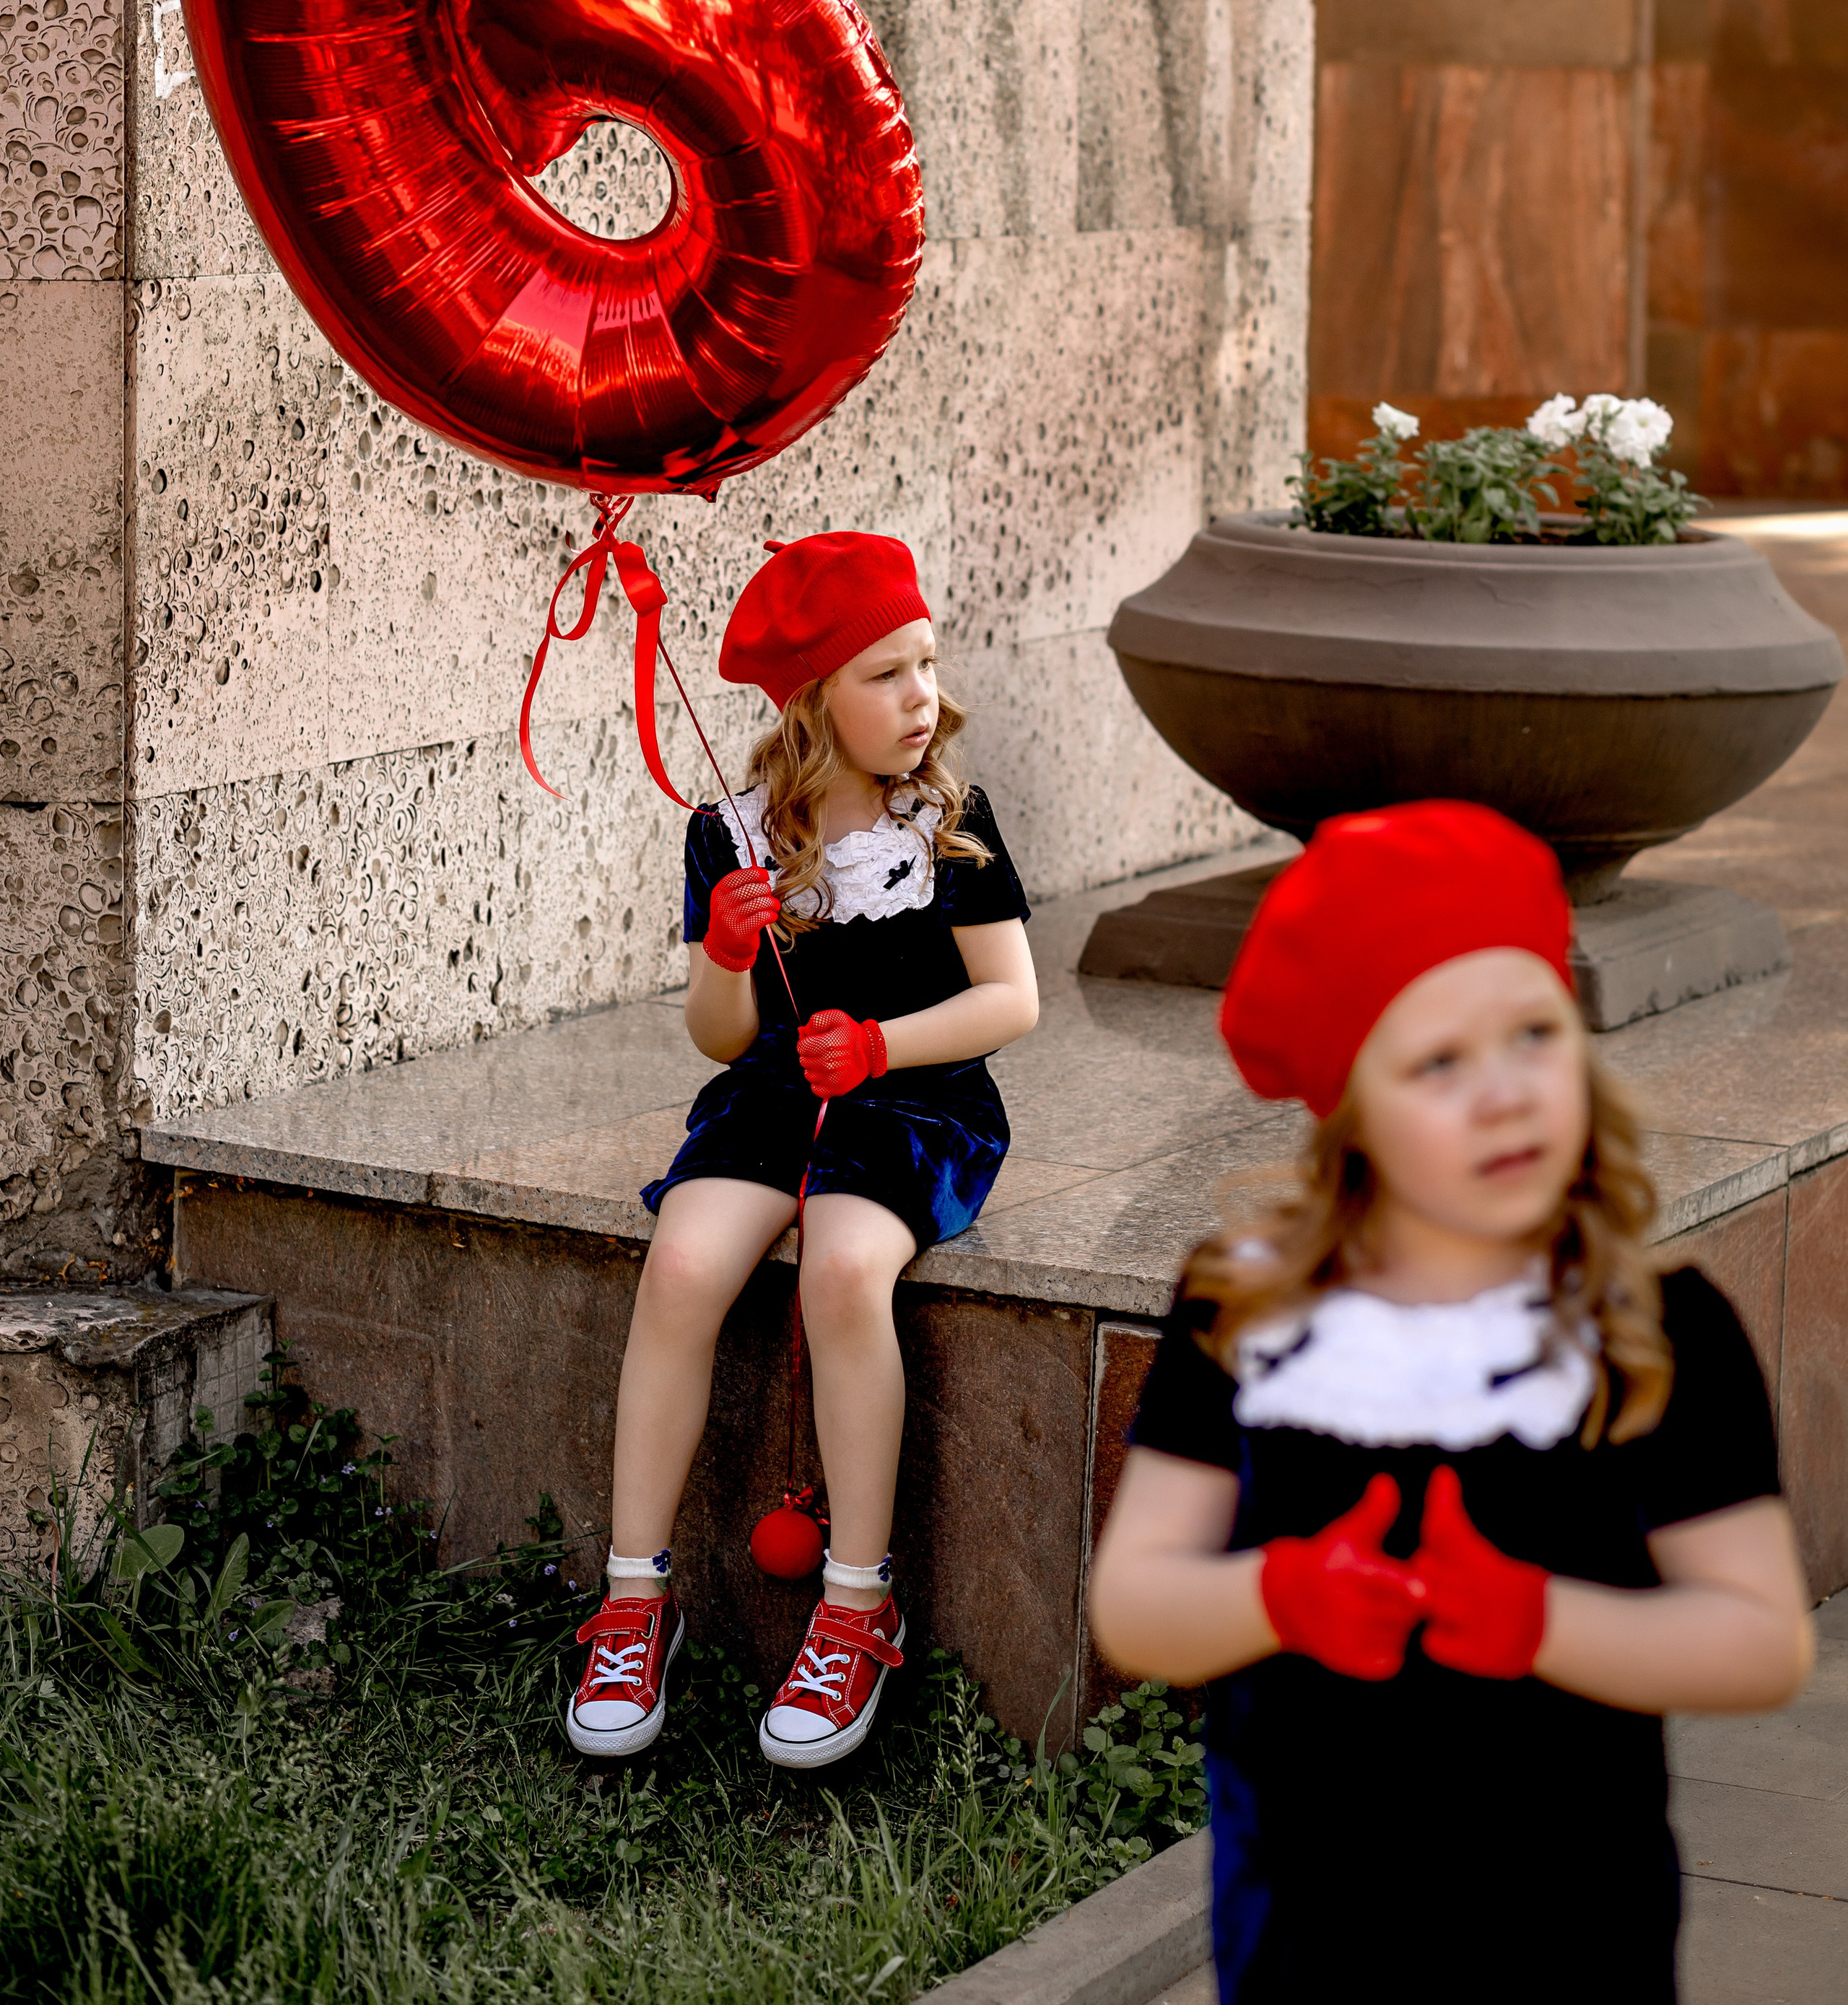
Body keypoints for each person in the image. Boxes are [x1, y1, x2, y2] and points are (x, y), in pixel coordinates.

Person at [1087, 800, 1813, 2005]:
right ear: (1350, 1108)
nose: (1506, 1093)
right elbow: (1137, 1606)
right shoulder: (1249, 1321)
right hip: (1314, 1934)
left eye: (1535, 1031)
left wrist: (1536, 1621)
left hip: (1574, 1931)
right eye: (1439, 1062)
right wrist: (1286, 1593)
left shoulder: (1652, 1330)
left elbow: (1760, 1638)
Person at [565, 531, 1038, 1771]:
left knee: (840, 1269)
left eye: (927, 664)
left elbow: (1010, 1003)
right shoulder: (731, 831)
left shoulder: (949, 822)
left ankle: (854, 1605)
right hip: (777, 1093)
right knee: (680, 1270)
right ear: (814, 696)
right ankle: (632, 1598)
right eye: (886, 672)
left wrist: (881, 1048)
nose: (921, 695)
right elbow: (722, 1040)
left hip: (916, 1097)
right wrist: (727, 954)